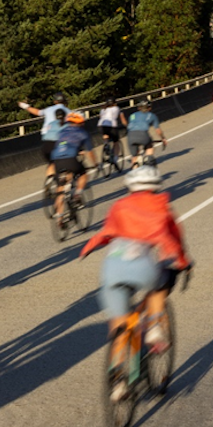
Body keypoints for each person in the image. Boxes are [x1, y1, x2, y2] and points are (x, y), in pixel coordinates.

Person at [79, 166, 191, 400]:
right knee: (162, 281)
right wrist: (183, 262)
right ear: (156, 186)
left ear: (130, 187)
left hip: (112, 268)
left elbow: (105, 233)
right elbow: (174, 239)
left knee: (119, 326)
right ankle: (155, 326)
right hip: (145, 267)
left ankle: (119, 381)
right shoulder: (162, 205)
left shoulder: (118, 206)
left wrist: (87, 249)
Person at [50, 110, 97, 223]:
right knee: (83, 174)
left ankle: (59, 216)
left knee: (61, 187)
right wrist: (95, 164)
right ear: (81, 122)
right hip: (71, 159)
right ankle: (77, 194)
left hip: (57, 159)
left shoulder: (61, 131)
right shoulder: (83, 133)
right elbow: (89, 151)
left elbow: (63, 144)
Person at [18, 93, 70, 183]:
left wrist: (24, 105)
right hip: (60, 137)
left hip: (46, 136)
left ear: (55, 101)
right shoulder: (67, 111)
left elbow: (37, 112)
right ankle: (64, 180)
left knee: (51, 161)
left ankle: (49, 180)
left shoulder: (49, 109)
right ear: (64, 101)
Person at [127, 100, 167, 167]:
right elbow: (158, 130)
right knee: (150, 146)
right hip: (143, 135)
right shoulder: (152, 115)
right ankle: (148, 159)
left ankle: (135, 170)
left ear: (139, 108)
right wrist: (163, 138)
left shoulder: (132, 116)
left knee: (134, 157)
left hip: (130, 136)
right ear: (149, 108)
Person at [97, 97, 128, 165]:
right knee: (116, 142)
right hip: (112, 125)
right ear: (115, 103)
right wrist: (127, 126)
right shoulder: (117, 108)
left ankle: (106, 144)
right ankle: (115, 158)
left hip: (101, 125)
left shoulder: (103, 109)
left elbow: (100, 117)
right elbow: (123, 120)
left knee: (105, 134)